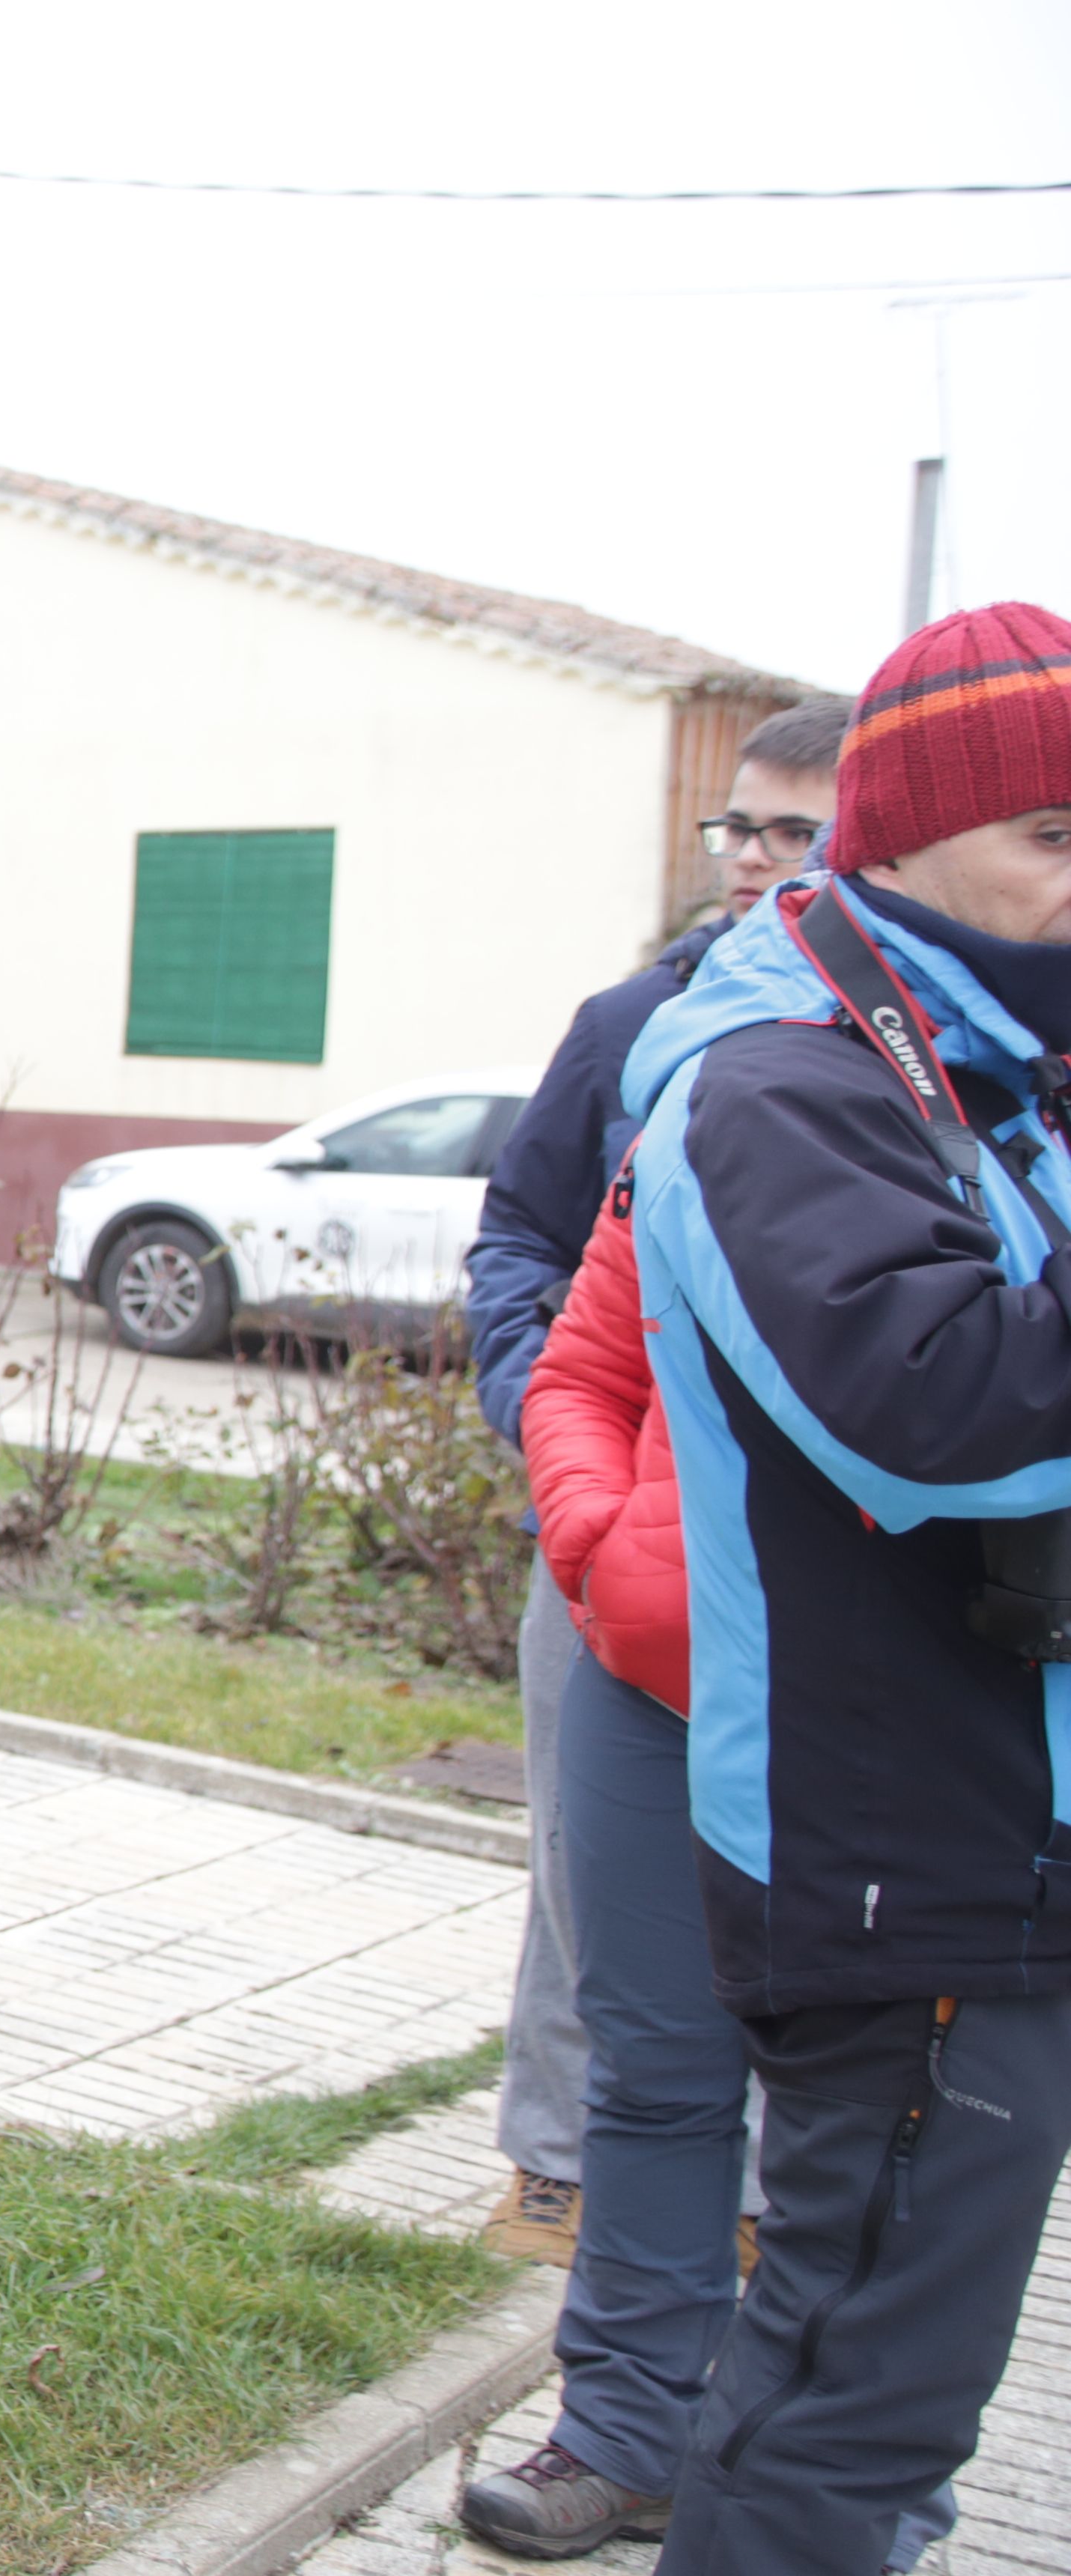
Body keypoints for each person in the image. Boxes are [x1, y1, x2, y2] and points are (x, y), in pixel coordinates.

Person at [610, 602, 1071, 2576]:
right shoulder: (781, 1076)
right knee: (843, 2398)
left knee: (871, 2382)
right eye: (1054, 838)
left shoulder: (978, 1055)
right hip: (904, 1852)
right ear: (905, 845)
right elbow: (931, 1400)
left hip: (992, 1824)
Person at [465, 1150, 947, 2576]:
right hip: (658, 1665)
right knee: (653, 2076)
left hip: (924, 1694)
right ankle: (623, 2433)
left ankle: (853, 2533)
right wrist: (604, 1540)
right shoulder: (714, 1082)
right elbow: (586, 1360)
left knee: (887, 2131)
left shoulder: (1014, 1094)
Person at [459, 697, 852, 2273]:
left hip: (830, 1558)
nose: (754, 860)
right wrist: (550, 1436)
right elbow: (519, 1236)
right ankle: (552, 2169)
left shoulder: (914, 1046)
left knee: (796, 1874)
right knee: (583, 1863)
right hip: (609, 1537)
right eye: (737, 828)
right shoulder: (634, 1023)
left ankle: (764, 2198)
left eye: (794, 833)